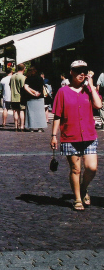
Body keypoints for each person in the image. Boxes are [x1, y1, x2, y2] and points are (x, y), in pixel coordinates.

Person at [51, 60, 102, 211]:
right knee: (76, 169)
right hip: (70, 136)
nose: (81, 74)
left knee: (91, 168)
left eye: (84, 71)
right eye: (78, 70)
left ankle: (83, 187)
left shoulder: (88, 90)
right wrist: (54, 135)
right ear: (71, 72)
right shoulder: (63, 92)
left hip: (89, 135)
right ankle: (77, 198)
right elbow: (57, 116)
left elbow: (98, 105)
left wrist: (91, 86)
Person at [23, 66, 47, 132]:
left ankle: (31, 127)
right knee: (40, 113)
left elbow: (26, 87)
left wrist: (32, 93)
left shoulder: (27, 79)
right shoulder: (40, 78)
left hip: (30, 98)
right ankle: (40, 127)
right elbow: (42, 87)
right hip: (40, 98)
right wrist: (37, 93)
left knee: (31, 113)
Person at [10, 63, 26, 132]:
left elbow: (10, 86)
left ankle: (16, 126)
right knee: (22, 111)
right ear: (23, 69)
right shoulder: (22, 77)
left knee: (15, 111)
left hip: (13, 97)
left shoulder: (12, 77)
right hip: (20, 97)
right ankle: (22, 126)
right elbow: (23, 87)